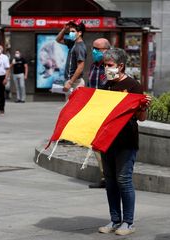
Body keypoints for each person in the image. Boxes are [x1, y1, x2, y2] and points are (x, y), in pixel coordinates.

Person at [98, 48, 151, 236]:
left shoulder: (133, 86)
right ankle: (115, 220)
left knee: (123, 180)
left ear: (120, 66)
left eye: (109, 65)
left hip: (126, 141)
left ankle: (128, 222)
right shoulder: (106, 85)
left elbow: (141, 117)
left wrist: (144, 107)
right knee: (111, 181)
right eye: (105, 65)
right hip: (107, 141)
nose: (106, 68)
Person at [87, 38, 111, 189]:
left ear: (107, 50)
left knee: (104, 145)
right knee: (96, 144)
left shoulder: (111, 67)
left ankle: (109, 177)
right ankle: (105, 177)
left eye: (98, 49)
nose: (94, 51)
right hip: (95, 109)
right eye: (93, 48)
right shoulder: (94, 66)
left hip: (107, 110)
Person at [56, 20, 87, 98]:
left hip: (75, 82)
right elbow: (58, 40)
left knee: (74, 107)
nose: (70, 33)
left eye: (73, 31)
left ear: (79, 33)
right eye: (70, 31)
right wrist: (64, 29)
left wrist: (70, 82)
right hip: (71, 81)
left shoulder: (80, 47)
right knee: (69, 105)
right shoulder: (73, 43)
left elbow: (80, 67)